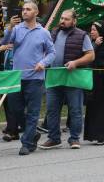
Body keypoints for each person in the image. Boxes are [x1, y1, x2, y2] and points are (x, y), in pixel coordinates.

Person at [0, 2, 56, 156]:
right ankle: (33, 134)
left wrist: (43, 63)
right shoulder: (17, 29)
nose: (24, 12)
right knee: (15, 109)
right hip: (17, 77)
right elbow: (2, 42)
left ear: (36, 12)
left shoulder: (43, 32)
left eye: (28, 9)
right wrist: (9, 27)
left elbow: (52, 53)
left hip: (35, 78)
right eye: (23, 9)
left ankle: (26, 143)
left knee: (32, 112)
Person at [40, 9, 95, 150]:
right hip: (53, 77)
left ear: (74, 21)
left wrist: (76, 63)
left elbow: (90, 55)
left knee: (75, 109)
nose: (62, 21)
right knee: (52, 109)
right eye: (62, 18)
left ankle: (74, 138)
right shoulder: (53, 33)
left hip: (72, 77)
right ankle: (54, 138)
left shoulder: (82, 35)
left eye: (66, 19)